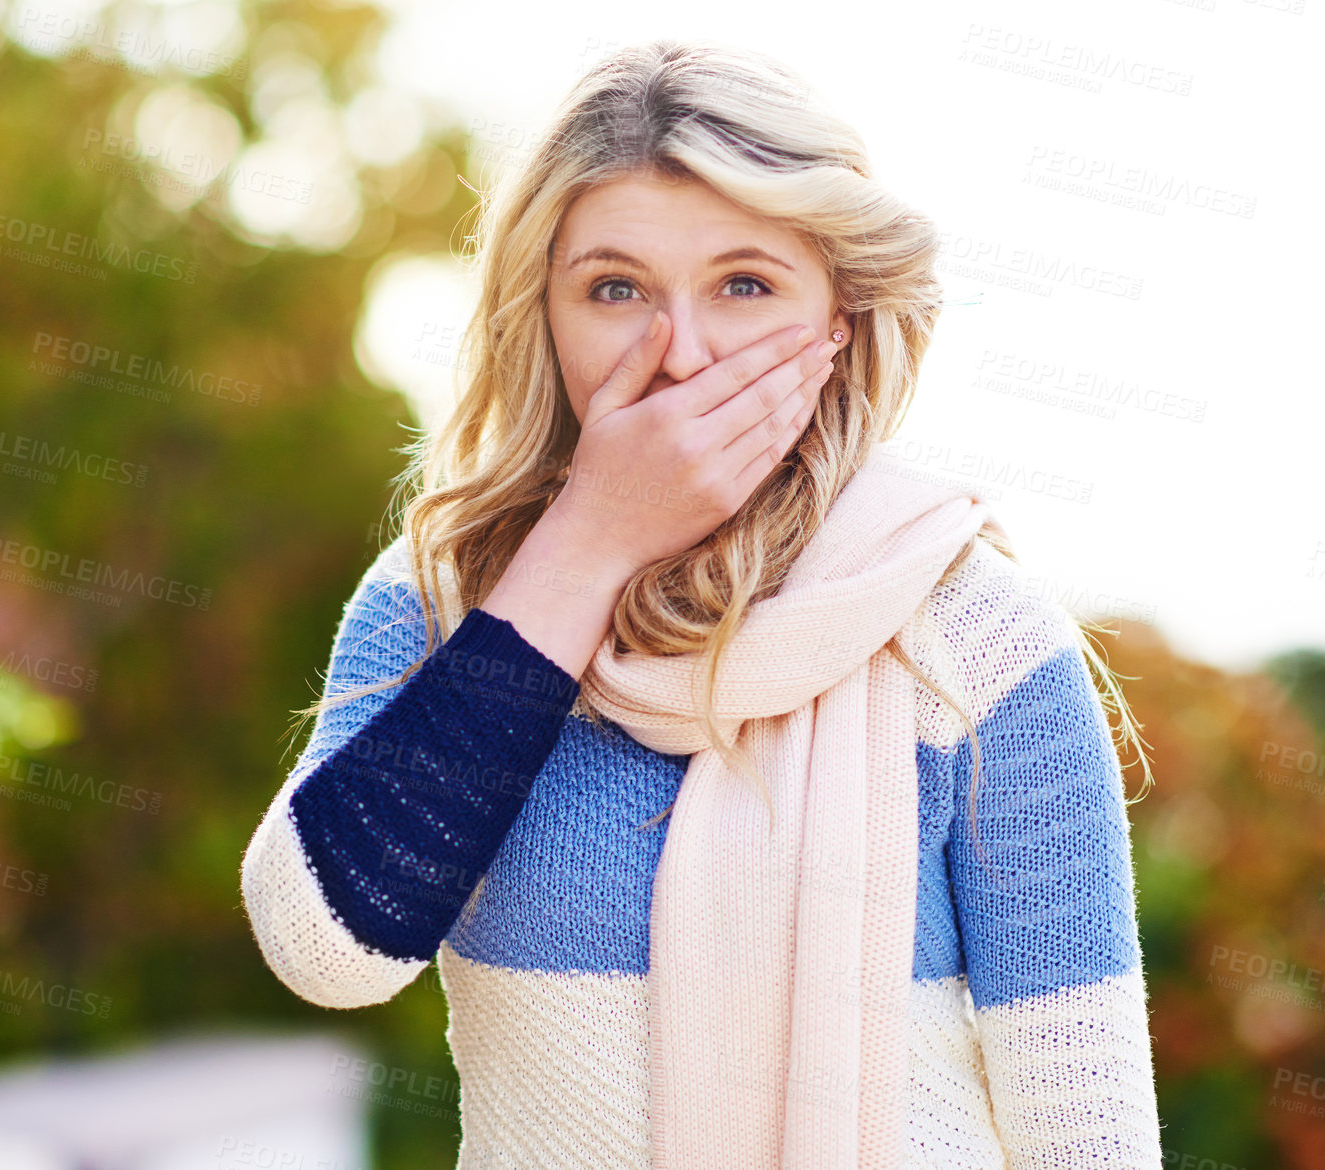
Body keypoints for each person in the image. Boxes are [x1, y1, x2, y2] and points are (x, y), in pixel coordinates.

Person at [241, 38, 1163, 1169]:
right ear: (542, 312)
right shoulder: (448, 600)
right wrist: (585, 545)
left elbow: (1091, 1138)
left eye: (745, 284)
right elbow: (325, 949)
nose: (679, 356)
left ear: (840, 317)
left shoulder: (980, 640)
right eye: (615, 289)